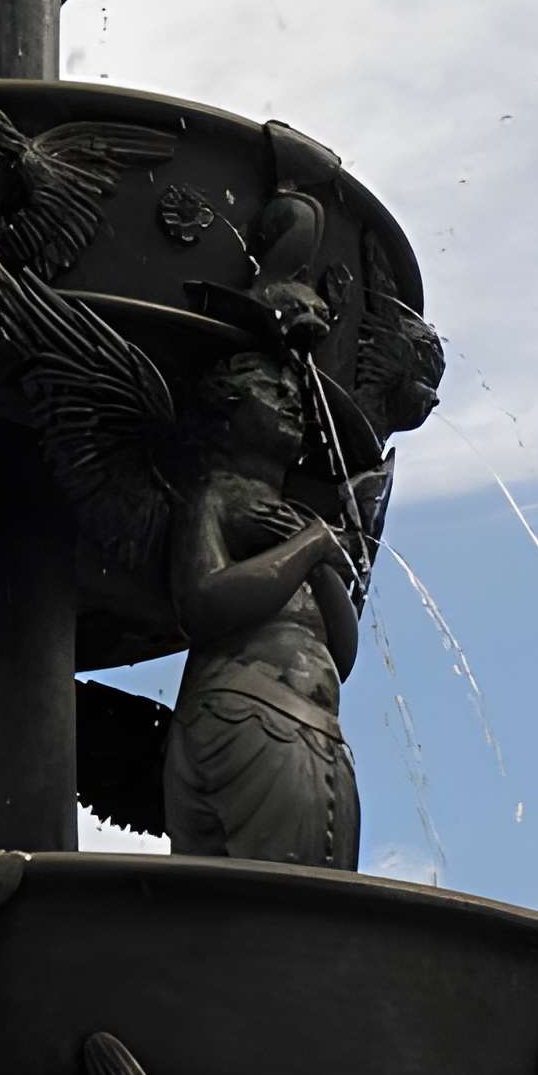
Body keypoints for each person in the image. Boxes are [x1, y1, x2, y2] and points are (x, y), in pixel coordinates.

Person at [166, 350, 363, 869]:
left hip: (319, 729)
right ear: (227, 410)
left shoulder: (298, 521)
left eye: (297, 396)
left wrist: (318, 558)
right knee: (277, 902)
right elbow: (203, 602)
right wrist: (309, 547)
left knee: (318, 911)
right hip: (248, 708)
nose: (292, 403)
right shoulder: (213, 497)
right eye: (271, 392)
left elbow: (342, 651)